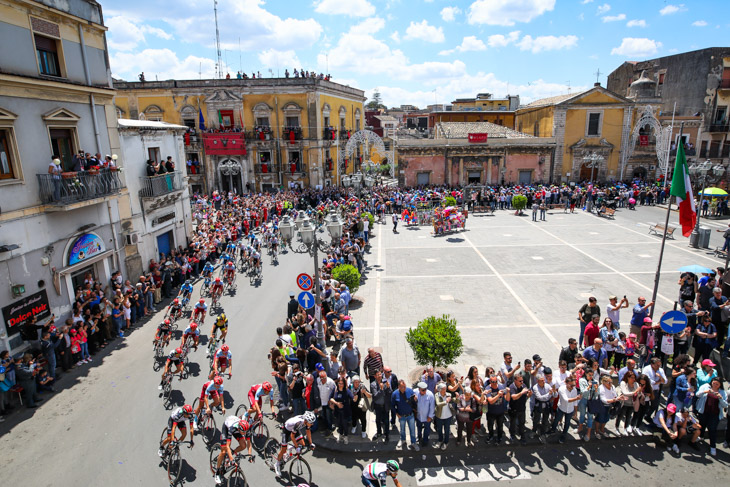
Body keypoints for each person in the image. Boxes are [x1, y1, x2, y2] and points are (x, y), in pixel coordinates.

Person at [696, 376, 728, 456]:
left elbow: (725, 405)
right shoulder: (705, 386)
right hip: (704, 411)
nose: (715, 385)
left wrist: (720, 398)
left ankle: (712, 446)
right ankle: (701, 436)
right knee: (701, 425)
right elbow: (697, 394)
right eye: (714, 383)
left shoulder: (723, 392)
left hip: (715, 414)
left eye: (717, 384)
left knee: (712, 430)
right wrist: (705, 392)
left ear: (720, 385)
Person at [214, 416, 251, 484]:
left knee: (243, 445)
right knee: (224, 451)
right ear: (240, 429)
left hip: (236, 426)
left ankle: (231, 453)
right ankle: (217, 472)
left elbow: (249, 443)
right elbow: (227, 445)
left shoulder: (246, 428)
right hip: (226, 428)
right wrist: (231, 459)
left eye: (246, 432)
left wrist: (250, 455)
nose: (245, 434)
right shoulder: (232, 429)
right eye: (244, 432)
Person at [550, 376, 581, 443]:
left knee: (567, 423)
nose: (573, 387)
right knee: (556, 420)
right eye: (571, 385)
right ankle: (553, 429)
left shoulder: (574, 390)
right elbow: (566, 400)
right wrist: (577, 398)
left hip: (570, 409)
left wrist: (575, 412)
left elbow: (575, 402)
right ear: (566, 383)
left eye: (574, 385)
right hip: (561, 408)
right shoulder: (562, 389)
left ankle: (564, 435)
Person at [391, 379, 418, 450]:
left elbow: (414, 402)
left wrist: (415, 399)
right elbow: (392, 405)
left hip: (410, 415)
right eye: (402, 387)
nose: (404, 388)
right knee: (402, 430)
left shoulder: (410, 391)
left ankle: (413, 443)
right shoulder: (395, 394)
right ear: (398, 387)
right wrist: (397, 414)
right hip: (401, 416)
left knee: (412, 430)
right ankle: (403, 440)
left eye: (405, 386)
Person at [330, 377, 353, 444]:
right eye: (339, 383)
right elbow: (330, 398)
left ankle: (345, 436)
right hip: (337, 411)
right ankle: (340, 435)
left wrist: (355, 398)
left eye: (342, 383)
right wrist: (337, 403)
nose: (340, 385)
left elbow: (352, 397)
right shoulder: (335, 389)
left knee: (345, 425)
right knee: (339, 424)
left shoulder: (346, 390)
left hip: (345, 411)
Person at [414, 381, 435, 447]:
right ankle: (419, 437)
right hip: (418, 416)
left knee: (427, 429)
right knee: (419, 427)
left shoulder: (430, 394)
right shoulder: (415, 392)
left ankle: (425, 440)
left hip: (427, 416)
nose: (424, 391)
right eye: (423, 390)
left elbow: (432, 407)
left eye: (425, 389)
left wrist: (430, 416)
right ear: (419, 389)